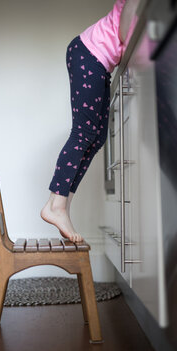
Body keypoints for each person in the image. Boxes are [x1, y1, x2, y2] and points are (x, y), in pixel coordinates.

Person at [40, 0, 138, 243]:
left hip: (99, 62)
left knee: (96, 140)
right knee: (82, 134)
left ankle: (59, 204)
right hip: (89, 52)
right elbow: (126, 30)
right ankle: (57, 205)